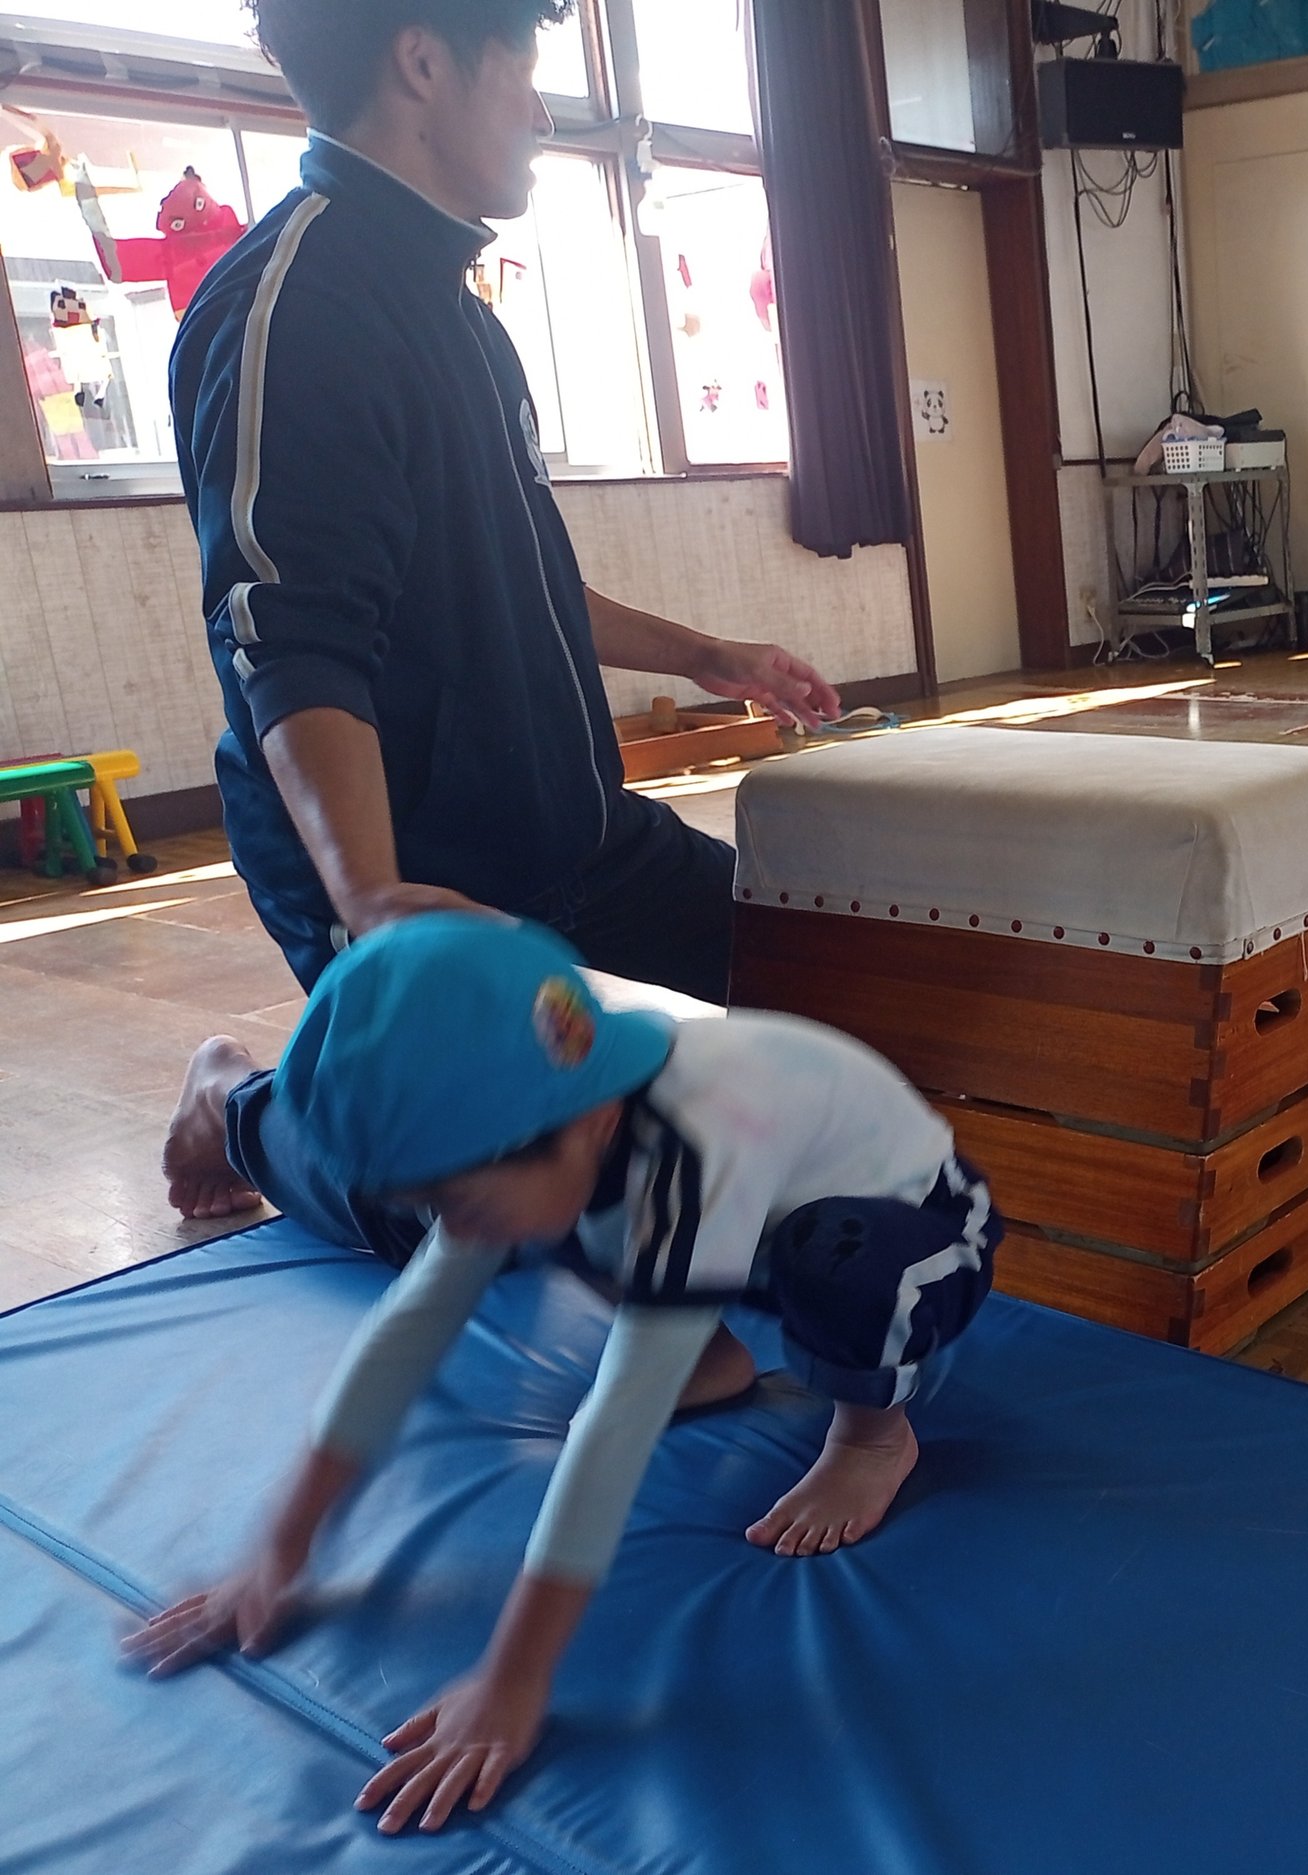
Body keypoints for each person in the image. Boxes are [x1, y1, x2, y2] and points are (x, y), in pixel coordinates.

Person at [164, 0, 842, 1226]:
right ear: (423, 60)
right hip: (422, 877)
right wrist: (374, 900)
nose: (539, 112)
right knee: (502, 1215)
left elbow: (519, 579)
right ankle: (239, 1101)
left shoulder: (461, 314)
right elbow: (288, 635)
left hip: (578, 838)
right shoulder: (296, 309)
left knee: (841, 995)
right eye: (524, 72)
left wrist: (708, 654)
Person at [126, 917, 1000, 1835]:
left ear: (590, 1119)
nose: (452, 1224)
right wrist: (280, 1546)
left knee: (834, 1261)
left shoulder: (695, 1142)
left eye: (456, 1199)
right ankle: (706, 1349)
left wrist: (512, 1677)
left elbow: (615, 1424)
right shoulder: (550, 1124)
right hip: (749, 1219)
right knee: (559, 1217)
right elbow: (406, 1331)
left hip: (912, 1231)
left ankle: (873, 1434)